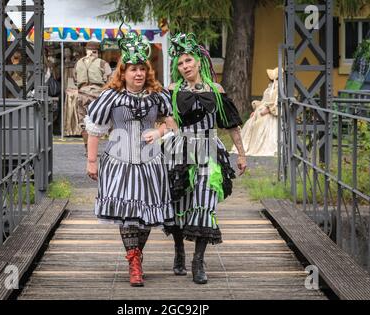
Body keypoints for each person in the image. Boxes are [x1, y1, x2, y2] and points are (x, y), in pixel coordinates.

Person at [85, 32, 177, 287]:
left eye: (142, 69)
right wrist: (91, 161)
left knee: (145, 213)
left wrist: (158, 131)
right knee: (127, 212)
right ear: (123, 73)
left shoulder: (158, 96)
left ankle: (137, 255)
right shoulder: (110, 96)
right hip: (119, 161)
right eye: (133, 69)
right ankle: (133, 260)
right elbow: (94, 128)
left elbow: (172, 124)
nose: (138, 74)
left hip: (150, 162)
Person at [164, 33, 247, 284]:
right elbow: (165, 118)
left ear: (199, 62)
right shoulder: (172, 90)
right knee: (179, 202)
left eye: (188, 61)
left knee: (205, 201)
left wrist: (241, 154)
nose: (185, 66)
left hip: (209, 151)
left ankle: (198, 260)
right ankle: (179, 251)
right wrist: (176, 134)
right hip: (181, 149)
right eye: (180, 63)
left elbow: (231, 124)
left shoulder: (216, 90)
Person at [231, 67, 279, 156]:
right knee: (251, 123)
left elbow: (276, 103)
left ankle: (260, 146)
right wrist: (256, 110)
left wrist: (268, 110)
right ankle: (247, 146)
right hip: (261, 110)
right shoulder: (270, 87)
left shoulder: (278, 89)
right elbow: (264, 100)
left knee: (260, 124)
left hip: (269, 114)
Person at [75, 41, 112, 155]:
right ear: (98, 52)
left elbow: (75, 79)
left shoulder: (78, 63)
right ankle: (112, 149)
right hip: (97, 96)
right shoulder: (102, 63)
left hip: (81, 95)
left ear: (87, 51)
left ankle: (88, 150)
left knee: (83, 123)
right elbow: (110, 80)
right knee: (101, 121)